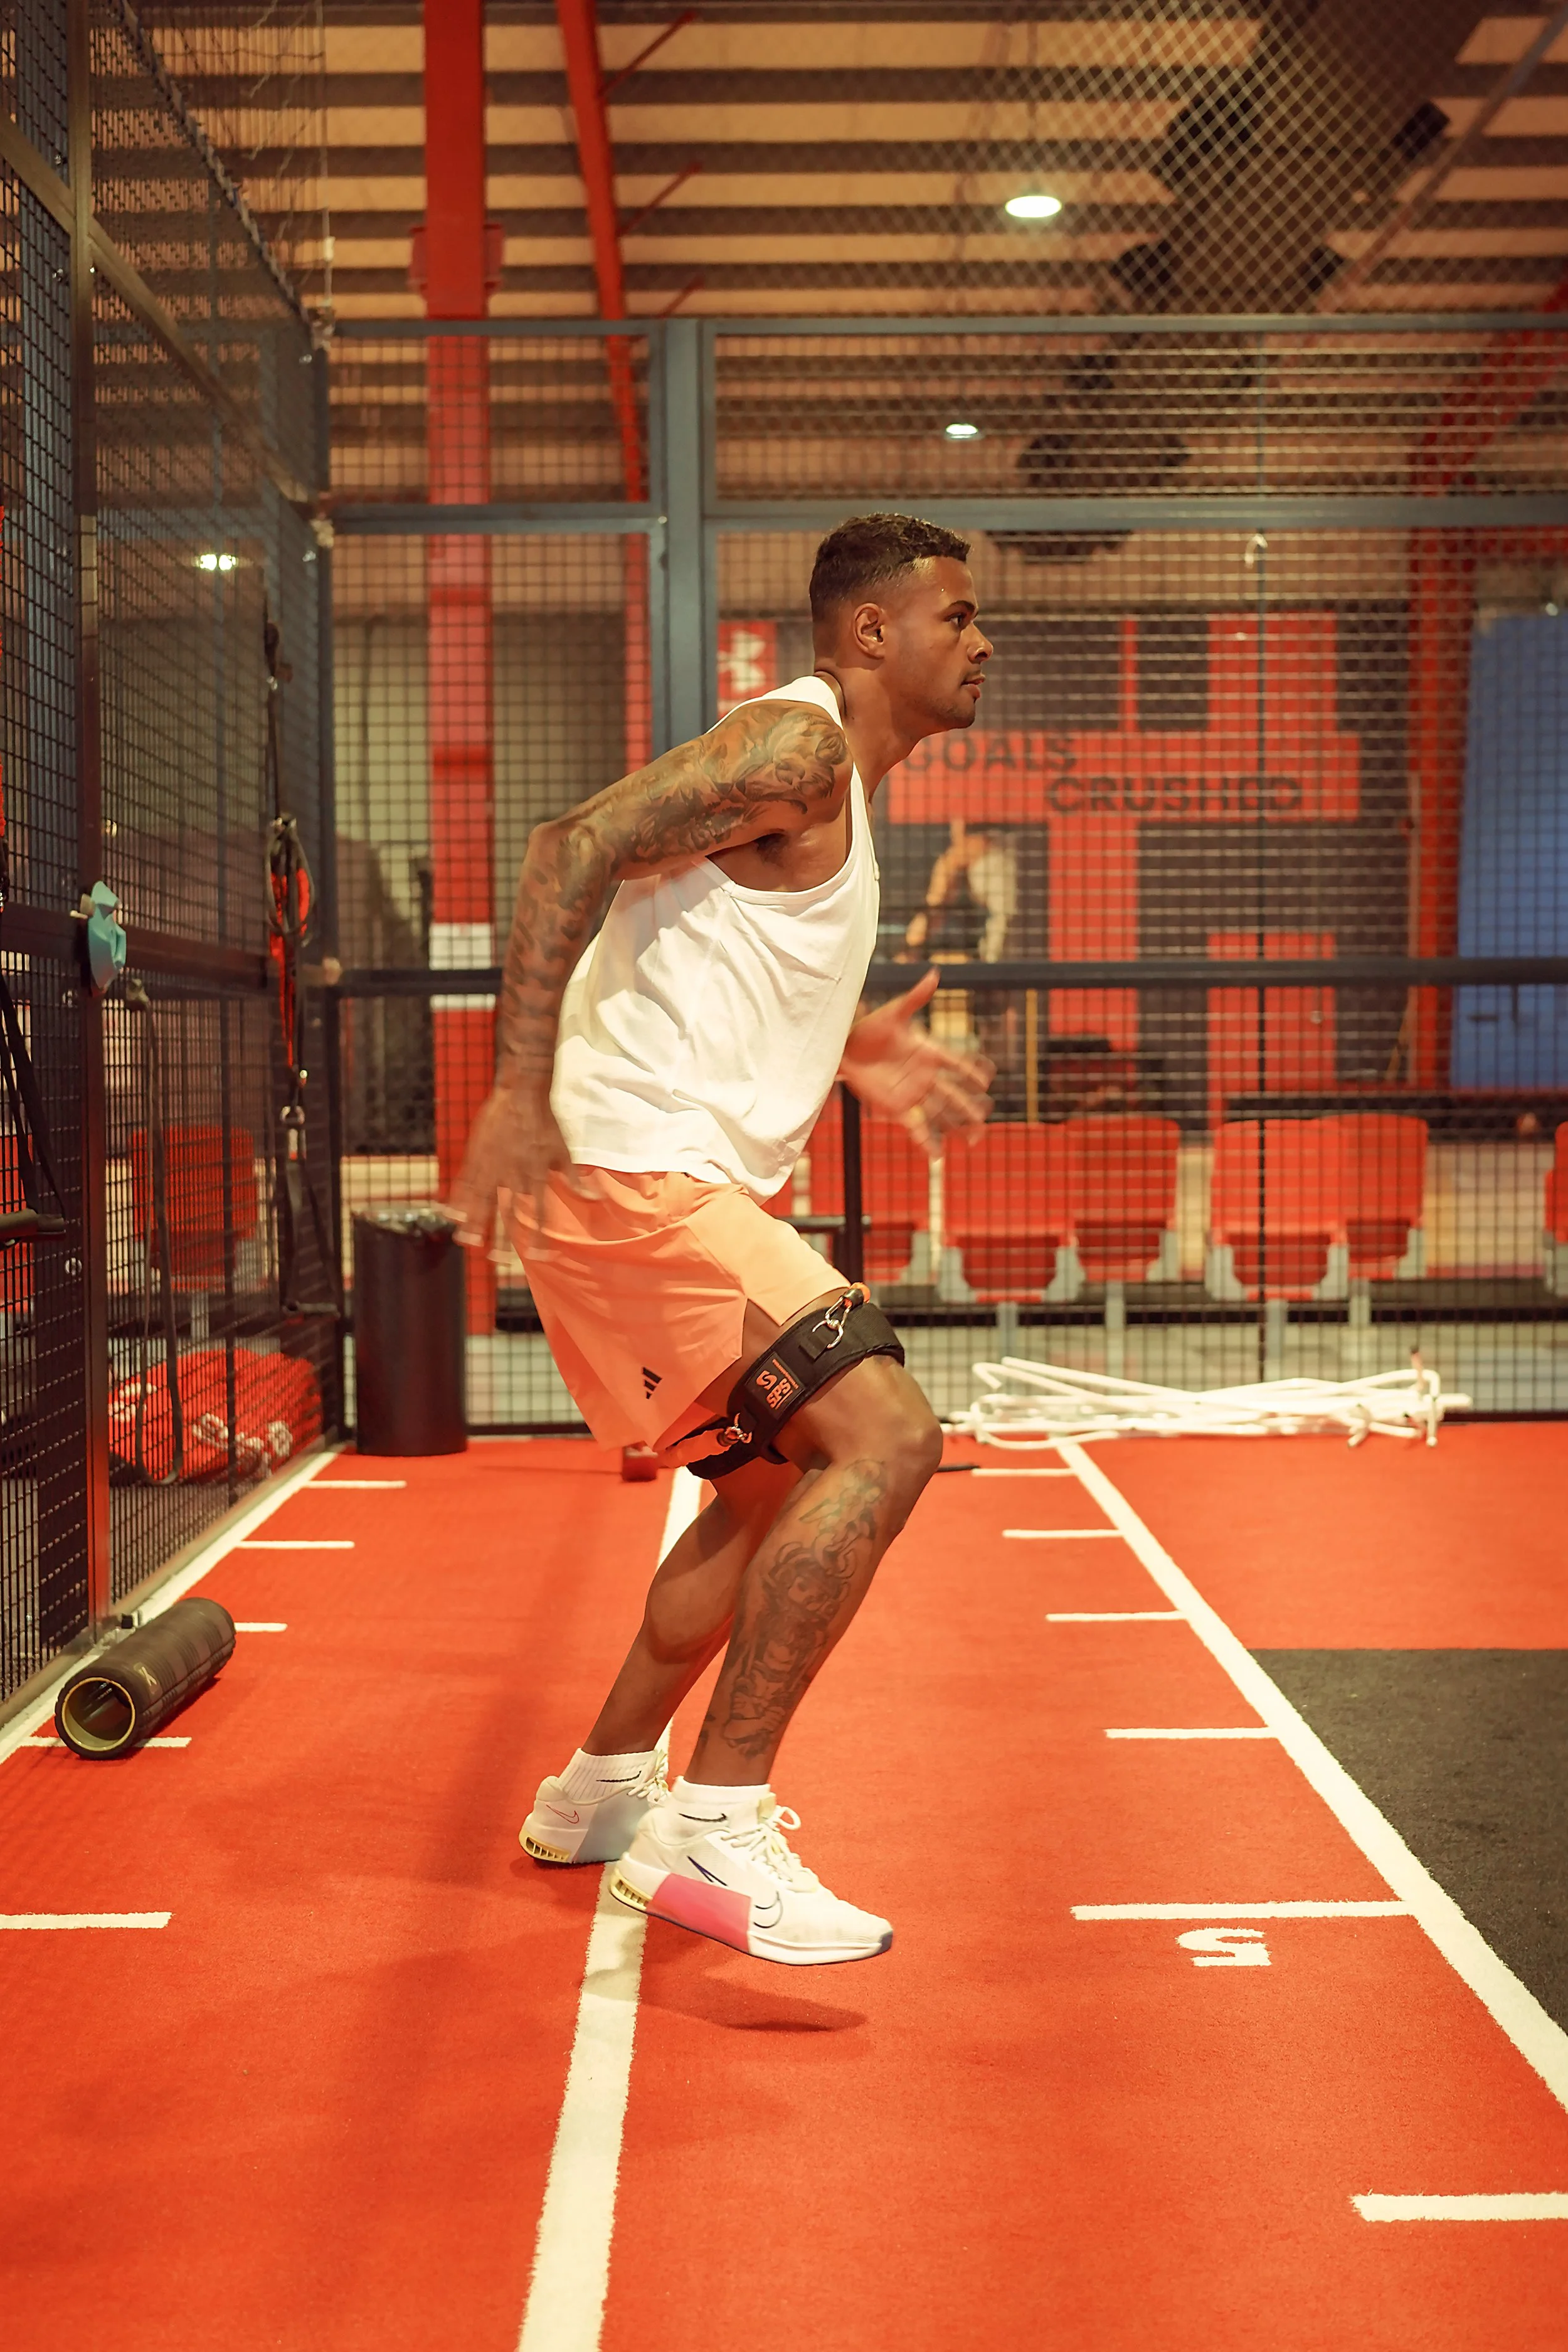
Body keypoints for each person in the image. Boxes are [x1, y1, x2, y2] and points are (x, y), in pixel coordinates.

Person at [451, 511, 994, 1968]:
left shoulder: (837, 792)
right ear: (869, 631)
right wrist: (511, 1089)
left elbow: (700, 960)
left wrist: (849, 1048)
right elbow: (572, 845)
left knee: (764, 1497)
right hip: (633, 1178)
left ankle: (602, 1790)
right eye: (954, 615)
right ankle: (715, 1823)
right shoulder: (798, 747)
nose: (980, 640)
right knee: (884, 1441)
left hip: (653, 1184)